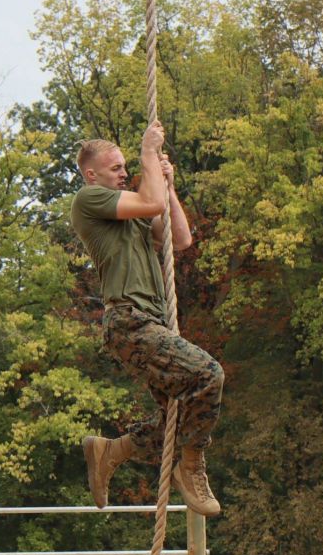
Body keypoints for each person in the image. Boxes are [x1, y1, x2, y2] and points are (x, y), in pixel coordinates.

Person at [71, 123, 223, 517]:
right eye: (116, 168)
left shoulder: (133, 213)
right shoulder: (89, 200)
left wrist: (167, 185)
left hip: (149, 322)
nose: (124, 174)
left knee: (180, 416)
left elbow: (181, 238)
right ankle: (190, 468)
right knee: (209, 374)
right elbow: (150, 203)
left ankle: (112, 450)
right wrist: (148, 156)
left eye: (126, 166)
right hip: (128, 321)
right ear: (92, 175)